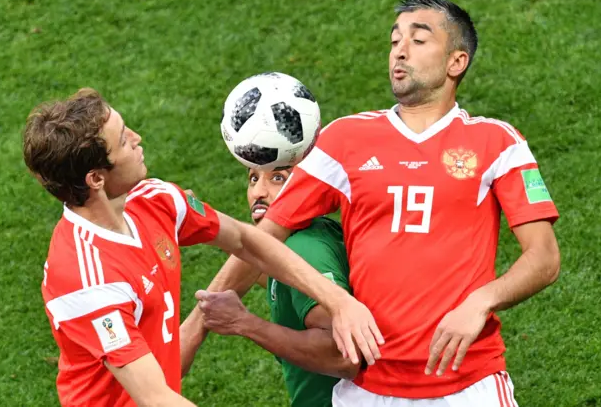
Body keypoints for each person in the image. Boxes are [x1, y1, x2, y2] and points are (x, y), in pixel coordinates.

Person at [183, 0, 561, 406]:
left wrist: (480, 300)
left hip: (472, 385)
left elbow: (543, 258)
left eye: (418, 41)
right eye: (394, 40)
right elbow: (261, 240)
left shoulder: (497, 142)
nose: (399, 51)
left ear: (457, 62)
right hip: (368, 391)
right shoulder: (345, 141)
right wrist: (192, 331)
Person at [23, 88, 383, 407]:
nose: (137, 137)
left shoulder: (155, 199)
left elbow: (246, 240)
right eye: (122, 141)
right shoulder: (88, 281)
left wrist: (339, 302)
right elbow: (154, 397)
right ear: (96, 179)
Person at [194, 167, 360, 407]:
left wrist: (243, 322)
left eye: (277, 178)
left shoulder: (306, 249)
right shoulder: (305, 235)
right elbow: (273, 275)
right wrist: (204, 221)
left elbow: (341, 354)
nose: (258, 192)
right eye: (253, 178)